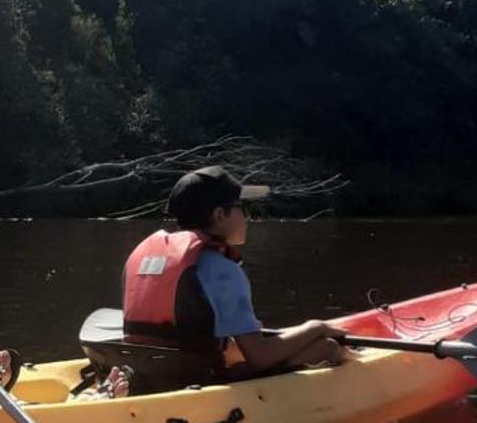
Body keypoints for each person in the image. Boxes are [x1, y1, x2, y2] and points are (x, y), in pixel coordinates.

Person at [120, 165, 348, 392]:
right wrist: (315, 327)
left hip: (147, 376)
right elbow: (260, 357)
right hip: (200, 384)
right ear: (220, 215)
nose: (248, 217)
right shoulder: (222, 270)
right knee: (325, 348)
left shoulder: (141, 258)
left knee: (233, 349)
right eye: (242, 208)